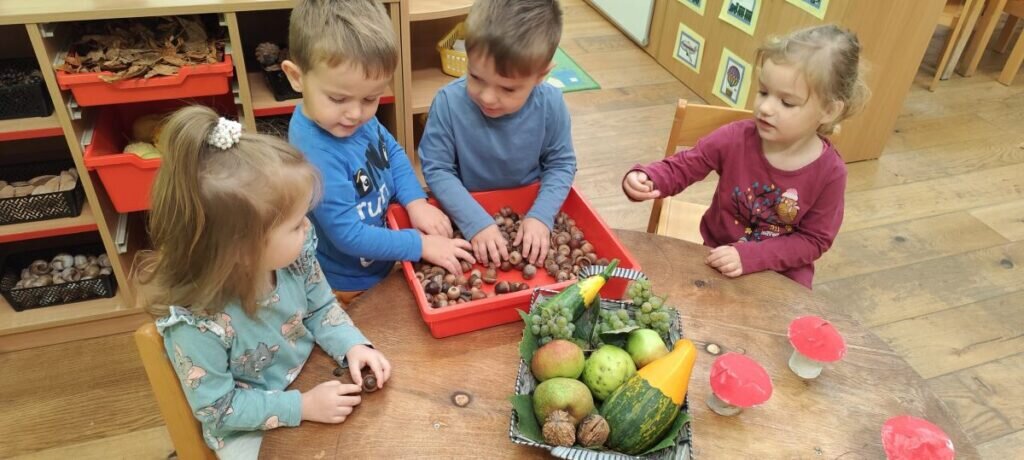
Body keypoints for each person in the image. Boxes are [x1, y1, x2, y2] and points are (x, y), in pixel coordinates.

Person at [138, 106, 391, 458]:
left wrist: (352, 345)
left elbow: (320, 306)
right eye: (295, 224)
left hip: (308, 378)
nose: (309, 229)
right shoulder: (197, 326)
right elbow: (220, 409)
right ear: (241, 249)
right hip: (248, 429)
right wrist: (301, 407)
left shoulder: (294, 258)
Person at [622, 25, 870, 289]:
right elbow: (687, 165)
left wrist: (751, 256)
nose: (764, 107)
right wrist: (650, 177)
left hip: (782, 275)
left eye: (786, 102)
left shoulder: (831, 172)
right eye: (763, 92)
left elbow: (813, 241)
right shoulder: (735, 138)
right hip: (717, 256)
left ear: (829, 111)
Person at [281, 0, 474, 302]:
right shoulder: (315, 154)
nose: (355, 114)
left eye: (371, 98)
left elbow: (392, 154)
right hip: (347, 283)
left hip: (385, 254)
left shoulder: (353, 121)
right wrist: (420, 245)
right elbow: (348, 235)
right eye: (338, 98)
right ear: (296, 77)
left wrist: (415, 201)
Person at [418, 0, 577, 267]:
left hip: (528, 209)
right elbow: (437, 169)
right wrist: (475, 222)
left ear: (541, 75)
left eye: (508, 89)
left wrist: (540, 215)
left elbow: (561, 164)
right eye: (475, 77)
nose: (488, 97)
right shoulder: (447, 103)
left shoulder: (551, 105)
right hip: (464, 211)